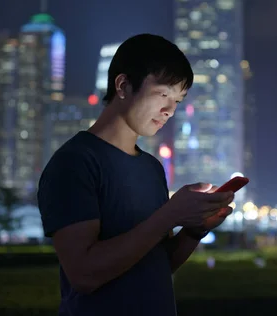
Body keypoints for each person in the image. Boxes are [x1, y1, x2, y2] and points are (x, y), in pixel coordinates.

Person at [37, 34, 234, 316]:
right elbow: (83, 274)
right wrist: (170, 214)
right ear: (123, 85)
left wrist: (194, 229)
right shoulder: (75, 162)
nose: (169, 111)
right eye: (163, 94)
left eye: (177, 100)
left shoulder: (152, 169)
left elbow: (155, 266)